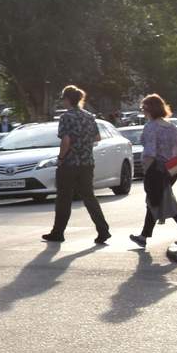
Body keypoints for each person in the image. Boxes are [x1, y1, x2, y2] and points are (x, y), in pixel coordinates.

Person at [130, 93, 177, 249]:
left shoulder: (151, 127)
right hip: (171, 169)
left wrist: (147, 172)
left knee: (164, 202)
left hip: (156, 170)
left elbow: (150, 152)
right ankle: (143, 237)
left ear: (149, 109)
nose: (143, 111)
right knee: (154, 201)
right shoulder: (170, 126)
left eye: (143, 108)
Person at [43, 85, 111, 245]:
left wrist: (61, 158)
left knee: (64, 198)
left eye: (63, 99)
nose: (63, 102)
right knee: (89, 197)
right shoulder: (89, 116)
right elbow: (97, 138)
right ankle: (103, 230)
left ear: (67, 100)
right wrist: (83, 142)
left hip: (69, 163)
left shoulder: (66, 117)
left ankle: (58, 232)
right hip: (87, 163)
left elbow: (66, 140)